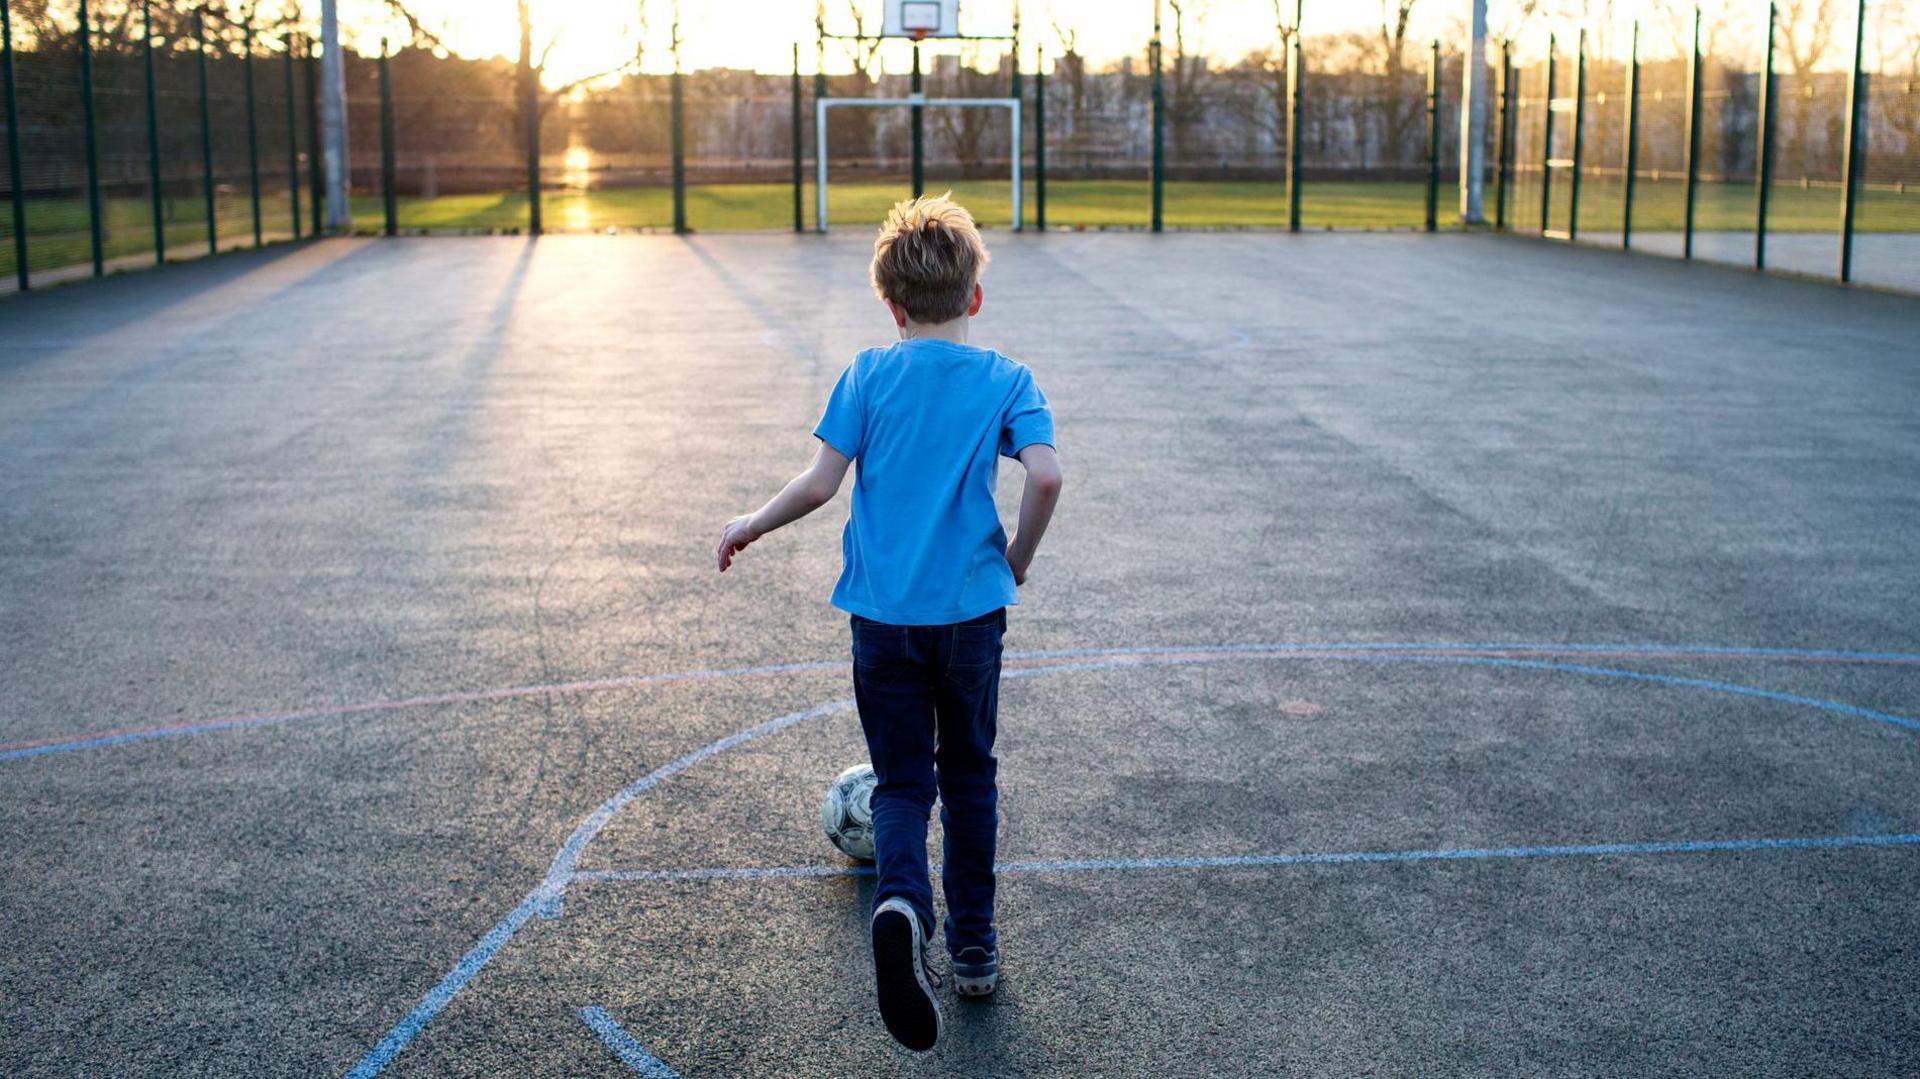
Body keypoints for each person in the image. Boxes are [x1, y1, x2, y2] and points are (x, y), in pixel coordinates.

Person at [716, 193, 1063, 1052]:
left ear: (891, 304)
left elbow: (820, 483)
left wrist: (752, 523)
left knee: (904, 785)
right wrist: (1015, 559)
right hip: (972, 612)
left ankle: (903, 903)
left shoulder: (868, 373)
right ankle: (976, 951)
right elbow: (1048, 478)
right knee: (971, 776)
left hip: (881, 617)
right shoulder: (1008, 379)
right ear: (974, 298)